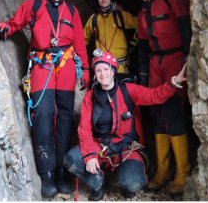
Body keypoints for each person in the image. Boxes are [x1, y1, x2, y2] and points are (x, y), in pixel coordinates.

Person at [0, 0, 90, 198]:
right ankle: (47, 173)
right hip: (42, 65)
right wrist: (5, 28)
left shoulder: (72, 12)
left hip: (66, 66)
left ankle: (62, 173)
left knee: (65, 118)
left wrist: (86, 70)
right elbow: (16, 22)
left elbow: (79, 42)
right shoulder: (34, 6)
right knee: (43, 116)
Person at [63, 49, 187, 201]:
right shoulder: (91, 97)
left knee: (132, 183)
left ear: (113, 71)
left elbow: (154, 96)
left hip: (128, 147)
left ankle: (126, 180)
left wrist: (174, 82)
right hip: (101, 146)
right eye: (98, 70)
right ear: (95, 74)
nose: (103, 74)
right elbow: (84, 129)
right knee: (71, 159)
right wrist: (89, 155)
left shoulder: (128, 90)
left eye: (106, 69)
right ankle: (98, 183)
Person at [125, 0, 192, 195]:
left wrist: (187, 57)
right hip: (155, 63)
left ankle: (182, 173)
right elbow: (143, 47)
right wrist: (143, 76)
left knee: (173, 110)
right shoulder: (142, 14)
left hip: (174, 58)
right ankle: (163, 171)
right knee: (155, 113)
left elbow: (185, 26)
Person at [84, 0, 138, 73]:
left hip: (120, 66)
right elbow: (83, 40)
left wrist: (133, 43)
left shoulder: (121, 16)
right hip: (101, 66)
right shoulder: (93, 19)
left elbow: (142, 25)